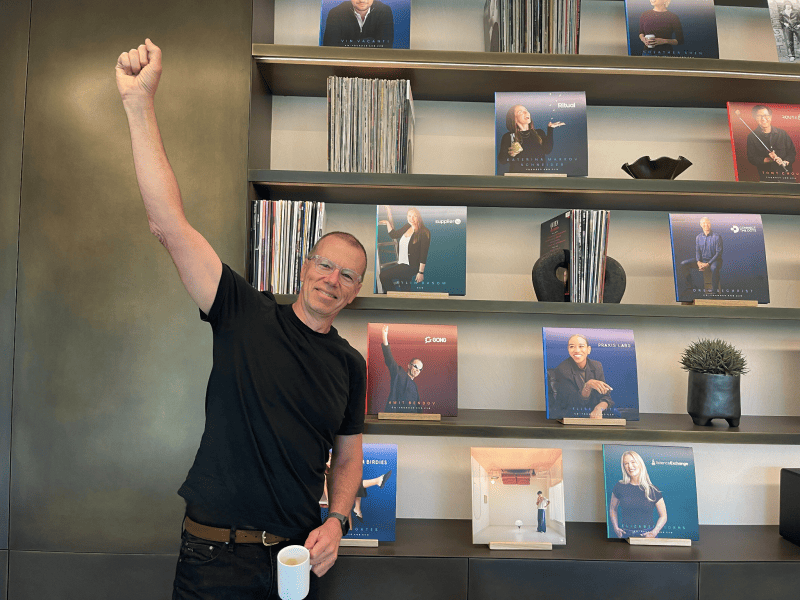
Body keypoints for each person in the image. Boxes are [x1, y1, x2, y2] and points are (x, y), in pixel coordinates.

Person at [116, 39, 367, 599]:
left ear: (355, 294)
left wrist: (338, 520)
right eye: (325, 264)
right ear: (304, 268)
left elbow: (349, 457)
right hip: (214, 557)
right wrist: (140, 106)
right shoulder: (240, 310)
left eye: (347, 276)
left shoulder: (350, 365)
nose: (332, 279)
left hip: (297, 562)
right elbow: (169, 225)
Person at [552, 334, 615, 419]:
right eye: (572, 347)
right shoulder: (562, 369)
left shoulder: (597, 366)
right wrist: (587, 386)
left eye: (581, 346)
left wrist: (598, 409)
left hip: (594, 411)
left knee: (617, 415)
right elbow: (572, 403)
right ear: (568, 350)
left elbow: (606, 396)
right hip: (572, 413)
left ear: (588, 350)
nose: (577, 350)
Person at [609, 450, 668, 538]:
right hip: (625, 535)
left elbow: (663, 516)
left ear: (640, 464)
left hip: (648, 535)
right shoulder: (619, 486)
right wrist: (615, 527)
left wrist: (654, 532)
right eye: (626, 463)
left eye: (633, 462)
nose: (630, 466)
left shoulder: (653, 490)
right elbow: (612, 509)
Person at [497, 104, 564, 173]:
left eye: (526, 110)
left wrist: (550, 129)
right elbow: (502, 161)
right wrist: (510, 154)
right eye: (520, 112)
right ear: (514, 119)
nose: (526, 113)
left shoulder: (539, 133)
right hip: (517, 180)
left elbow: (547, 150)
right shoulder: (509, 136)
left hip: (538, 179)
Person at [378, 206, 431, 292]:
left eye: (414, 216)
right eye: (409, 216)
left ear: (419, 217)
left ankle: (393, 298)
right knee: (405, 289)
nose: (412, 219)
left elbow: (423, 254)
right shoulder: (407, 226)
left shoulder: (424, 231)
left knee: (383, 275)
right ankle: (400, 302)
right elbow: (394, 235)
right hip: (402, 264)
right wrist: (388, 223)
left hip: (411, 266)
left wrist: (421, 272)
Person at [745, 105, 797, 181]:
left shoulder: (782, 133)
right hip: (767, 179)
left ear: (771, 116)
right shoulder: (751, 137)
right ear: (754, 118)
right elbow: (752, 158)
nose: (763, 119)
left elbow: (792, 153)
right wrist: (769, 159)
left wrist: (784, 162)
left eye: (766, 115)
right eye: (759, 116)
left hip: (787, 178)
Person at [381, 324, 423, 412]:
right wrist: (385, 338)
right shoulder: (399, 373)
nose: (417, 370)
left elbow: (418, 408)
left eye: (420, 369)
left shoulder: (414, 386)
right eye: (415, 366)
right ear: (409, 366)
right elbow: (390, 361)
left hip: (412, 422)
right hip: (396, 419)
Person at [322, 0, 394, 48]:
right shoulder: (335, 12)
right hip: (344, 62)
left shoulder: (384, 11)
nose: (362, 0)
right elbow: (329, 46)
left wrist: (346, 44)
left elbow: (386, 46)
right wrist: (371, 42)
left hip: (374, 64)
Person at [679, 217, 723, 295]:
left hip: (715, 261)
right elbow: (698, 251)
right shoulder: (698, 237)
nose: (706, 225)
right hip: (702, 261)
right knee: (683, 264)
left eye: (708, 223)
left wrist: (708, 263)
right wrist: (699, 262)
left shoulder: (717, 237)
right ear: (701, 225)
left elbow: (718, 253)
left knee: (714, 268)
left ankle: (714, 291)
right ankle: (690, 287)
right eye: (704, 223)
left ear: (710, 224)